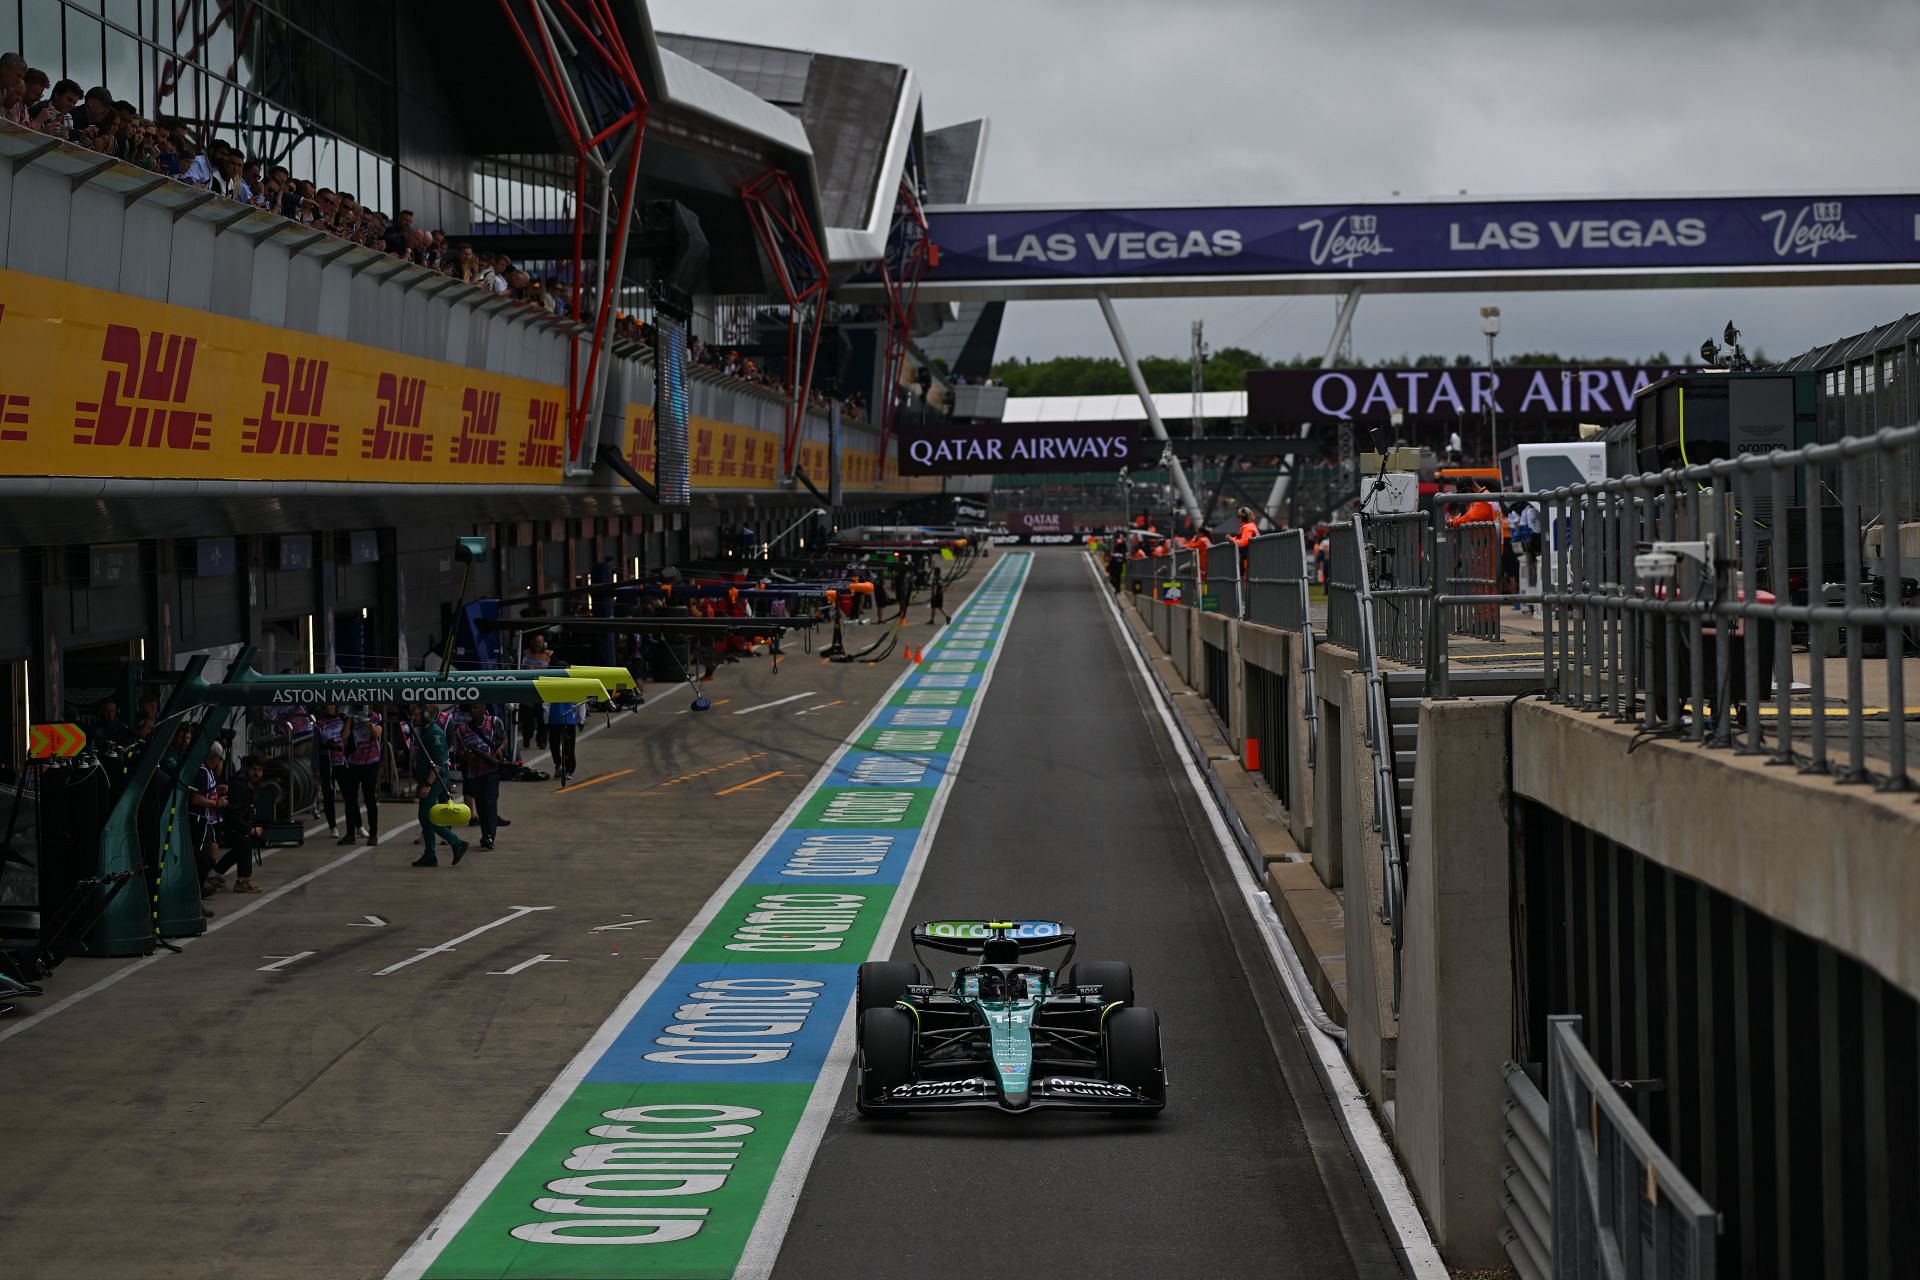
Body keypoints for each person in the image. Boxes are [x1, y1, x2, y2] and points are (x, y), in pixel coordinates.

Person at [406, 704, 468, 868]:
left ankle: (456, 842)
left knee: (427, 818)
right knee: (424, 817)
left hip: (434, 781)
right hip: (427, 780)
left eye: (417, 715)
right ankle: (430, 854)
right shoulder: (426, 731)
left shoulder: (434, 733)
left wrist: (427, 784)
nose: (414, 718)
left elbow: (438, 763)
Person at [454, 702, 507, 850]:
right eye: (471, 708)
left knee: (490, 802)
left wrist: (499, 750)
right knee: (481, 805)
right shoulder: (462, 730)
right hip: (474, 772)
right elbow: (458, 751)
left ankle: (489, 836)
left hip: (491, 770)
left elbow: (503, 739)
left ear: (483, 708)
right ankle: (486, 833)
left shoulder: (494, 722)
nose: (473, 711)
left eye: (476, 707)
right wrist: (466, 755)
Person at [212, 755, 268, 893]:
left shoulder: (249, 783)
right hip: (230, 824)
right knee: (244, 844)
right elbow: (234, 814)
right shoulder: (240, 784)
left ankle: (215, 875)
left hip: (236, 823)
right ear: (248, 768)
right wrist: (249, 830)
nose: (257, 773)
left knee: (239, 849)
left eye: (260, 770)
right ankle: (243, 881)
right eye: (254, 769)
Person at [337, 705, 383, 847]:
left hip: (371, 761)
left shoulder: (376, 717)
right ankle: (350, 834)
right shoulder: (349, 719)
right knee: (350, 798)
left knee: (369, 798)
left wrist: (367, 721)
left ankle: (373, 834)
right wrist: (350, 718)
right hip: (354, 762)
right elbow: (343, 737)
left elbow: (377, 733)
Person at [314, 702, 345, 836]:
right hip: (327, 761)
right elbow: (316, 747)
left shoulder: (343, 719)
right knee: (328, 794)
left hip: (343, 761)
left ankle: (357, 825)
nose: (329, 706)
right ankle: (333, 826)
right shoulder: (320, 723)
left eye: (332, 704)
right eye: (327, 704)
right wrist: (315, 767)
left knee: (348, 793)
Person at [547, 695, 585, 787]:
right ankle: (560, 765)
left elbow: (580, 702)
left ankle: (567, 768)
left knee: (566, 746)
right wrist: (581, 720)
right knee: (556, 745)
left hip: (565, 720)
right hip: (557, 720)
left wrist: (581, 719)